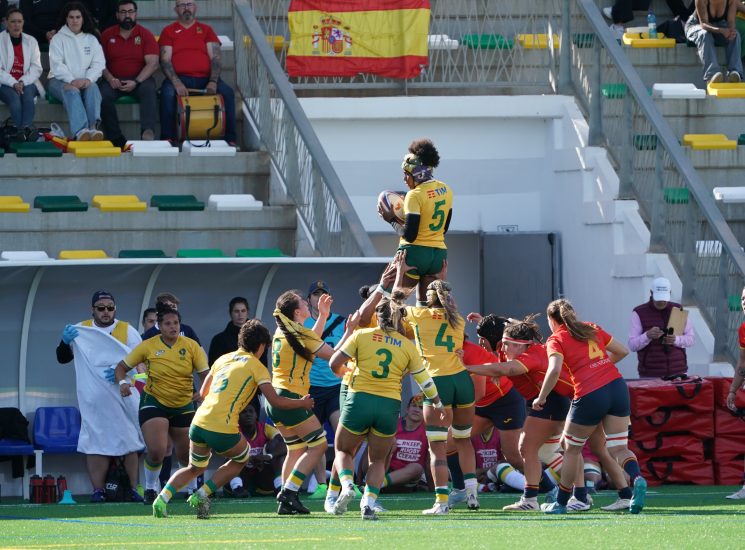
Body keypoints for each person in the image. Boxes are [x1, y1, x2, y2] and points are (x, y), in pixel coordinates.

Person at [152, 319, 314, 519]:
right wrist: (302, 404)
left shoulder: (223, 359)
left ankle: (161, 499)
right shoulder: (257, 367)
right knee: (242, 458)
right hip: (221, 425)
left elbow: (203, 392)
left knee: (194, 467)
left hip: (199, 421)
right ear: (261, 345)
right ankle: (202, 494)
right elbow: (275, 401)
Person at [328, 293, 444, 520]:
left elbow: (334, 362)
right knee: (378, 460)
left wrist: (346, 374)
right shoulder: (407, 346)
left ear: (378, 318)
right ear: (400, 320)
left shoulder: (361, 335)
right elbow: (425, 381)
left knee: (343, 450)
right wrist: (438, 403)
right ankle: (369, 504)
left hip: (359, 399)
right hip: (389, 405)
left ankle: (348, 484)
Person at [535, 299, 647, 515]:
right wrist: (599, 367)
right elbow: (622, 351)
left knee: (570, 449)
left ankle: (561, 503)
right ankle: (636, 481)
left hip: (590, 393)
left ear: (551, 320)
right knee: (618, 448)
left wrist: (541, 398)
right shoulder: (591, 328)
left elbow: (554, 370)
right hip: (617, 387)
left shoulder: (556, 338)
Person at [393, 256, 477, 515]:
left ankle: (441, 503)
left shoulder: (418, 316)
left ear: (427, 299)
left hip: (437, 382)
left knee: (437, 447)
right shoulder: (458, 319)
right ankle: (472, 496)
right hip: (462, 381)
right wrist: (442, 274)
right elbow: (444, 299)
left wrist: (400, 274)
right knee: (463, 440)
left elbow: (393, 304)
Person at [465, 315, 571, 512]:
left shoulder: (531, 354)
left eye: (508, 344)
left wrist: (468, 368)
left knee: (524, 450)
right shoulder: (509, 347)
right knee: (549, 452)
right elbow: (510, 327)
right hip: (544, 403)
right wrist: (485, 321)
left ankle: (546, 497)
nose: (504, 348)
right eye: (503, 342)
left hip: (550, 402)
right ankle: (576, 494)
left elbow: (509, 368)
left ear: (523, 345)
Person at [112, 303, 209, 505]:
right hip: (154, 401)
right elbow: (121, 368)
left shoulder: (191, 346)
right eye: (167, 323)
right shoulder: (148, 345)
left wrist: (203, 392)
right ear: (159, 326)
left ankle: (191, 491)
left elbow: (206, 376)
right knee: (157, 450)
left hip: (183, 403)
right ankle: (150, 489)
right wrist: (122, 382)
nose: (173, 327)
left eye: (176, 323)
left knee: (185, 453)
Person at [269, 289, 355, 515]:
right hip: (292, 397)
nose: (309, 305)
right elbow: (333, 355)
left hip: (277, 397)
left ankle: (285, 500)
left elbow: (310, 341)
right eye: (304, 304)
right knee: (318, 445)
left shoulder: (284, 330)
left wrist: (324, 317)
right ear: (297, 312)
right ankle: (289, 492)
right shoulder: (299, 333)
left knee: (295, 449)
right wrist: (352, 332)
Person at [55, 290, 144, 503]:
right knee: (95, 442)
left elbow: (142, 359)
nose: (106, 312)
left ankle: (132, 488)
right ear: (92, 309)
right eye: (101, 308)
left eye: (110, 308)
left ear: (115, 309)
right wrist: (64, 342)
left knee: (129, 441)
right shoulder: (81, 329)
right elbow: (62, 358)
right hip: (92, 398)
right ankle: (98, 490)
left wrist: (120, 370)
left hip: (123, 395)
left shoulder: (127, 330)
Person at [380, 138, 452, 303]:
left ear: (418, 173)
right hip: (438, 255)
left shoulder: (414, 195)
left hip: (414, 254)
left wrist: (390, 219)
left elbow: (410, 235)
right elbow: (444, 228)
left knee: (394, 303)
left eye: (407, 174)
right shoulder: (446, 189)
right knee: (427, 307)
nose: (405, 179)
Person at [158, 0, 237, 144]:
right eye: (182, 5)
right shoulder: (168, 31)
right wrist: (177, 83)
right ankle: (167, 138)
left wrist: (213, 81)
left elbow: (216, 58)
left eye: (189, 4)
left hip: (206, 78)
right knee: (167, 93)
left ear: (195, 8)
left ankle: (230, 139)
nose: (186, 8)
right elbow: (165, 60)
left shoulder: (206, 29)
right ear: (176, 9)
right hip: (180, 78)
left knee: (228, 92)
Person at [303, 280, 346, 497]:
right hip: (311, 388)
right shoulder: (302, 323)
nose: (319, 298)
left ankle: (345, 483)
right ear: (308, 299)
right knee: (316, 439)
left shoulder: (341, 322)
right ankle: (321, 485)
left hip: (336, 385)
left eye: (323, 294)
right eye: (315, 294)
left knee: (342, 433)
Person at [100, 0, 158, 147]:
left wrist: (137, 82)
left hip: (140, 80)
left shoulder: (145, 34)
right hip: (114, 80)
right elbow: (98, 63)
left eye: (130, 12)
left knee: (149, 89)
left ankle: (148, 131)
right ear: (117, 15)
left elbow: (153, 63)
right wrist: (110, 78)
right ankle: (115, 137)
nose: (127, 15)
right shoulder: (107, 35)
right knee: (102, 95)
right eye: (123, 12)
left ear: (136, 14)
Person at [47, 2, 105, 140]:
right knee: (71, 91)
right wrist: (71, 81)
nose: (74, 20)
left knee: (94, 87)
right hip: (58, 80)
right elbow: (57, 65)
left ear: (83, 18)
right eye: (71, 17)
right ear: (66, 19)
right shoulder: (57, 39)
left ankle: (93, 128)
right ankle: (80, 132)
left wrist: (88, 79)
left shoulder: (91, 39)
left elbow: (99, 64)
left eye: (78, 17)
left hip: (84, 80)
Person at [628, 277, 694, 378]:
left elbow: (691, 339)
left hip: (678, 372)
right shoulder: (639, 312)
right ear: (651, 292)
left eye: (664, 299)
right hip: (650, 374)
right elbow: (632, 345)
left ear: (670, 293)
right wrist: (647, 336)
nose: (662, 302)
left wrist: (676, 339)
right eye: (659, 298)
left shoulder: (678, 309)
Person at [223, 403, 287, 498]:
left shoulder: (265, 428)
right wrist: (248, 458)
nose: (248, 414)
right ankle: (237, 488)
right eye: (244, 412)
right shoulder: (233, 431)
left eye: (251, 411)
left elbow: (284, 444)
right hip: (242, 473)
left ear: (256, 415)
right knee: (231, 456)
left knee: (275, 446)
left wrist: (267, 456)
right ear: (237, 416)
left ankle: (280, 487)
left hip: (262, 476)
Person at [0, 7, 42, 140]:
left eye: (19, 21)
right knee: (15, 100)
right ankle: (26, 130)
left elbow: (36, 68)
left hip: (27, 82)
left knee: (28, 96)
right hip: (5, 83)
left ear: (23, 22)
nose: (16, 25)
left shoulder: (32, 41)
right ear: (6, 23)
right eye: (13, 21)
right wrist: (13, 83)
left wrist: (22, 82)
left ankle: (22, 131)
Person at [379, 393, 429, 492]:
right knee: (377, 443)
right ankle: (366, 483)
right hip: (385, 469)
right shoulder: (394, 424)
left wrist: (432, 488)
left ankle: (378, 484)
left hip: (407, 480)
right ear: (407, 409)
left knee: (417, 468)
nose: (416, 410)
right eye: (413, 406)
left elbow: (429, 462)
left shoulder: (428, 430)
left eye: (421, 407)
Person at [685, 0, 743, 83]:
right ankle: (712, 75)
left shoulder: (731, 1)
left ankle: (735, 72)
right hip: (696, 25)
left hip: (719, 26)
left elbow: (731, 22)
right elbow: (704, 24)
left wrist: (731, 31)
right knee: (704, 34)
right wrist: (721, 30)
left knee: (735, 35)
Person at [726, 285, 745, 499]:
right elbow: (743, 362)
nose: (744, 301)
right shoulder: (743, 329)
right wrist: (733, 390)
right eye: (742, 297)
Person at [208, 297, 250, 365]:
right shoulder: (219, 340)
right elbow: (214, 366)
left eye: (243, 311)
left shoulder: (257, 337)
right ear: (230, 313)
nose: (240, 314)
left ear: (247, 312)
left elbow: (262, 365)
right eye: (236, 311)